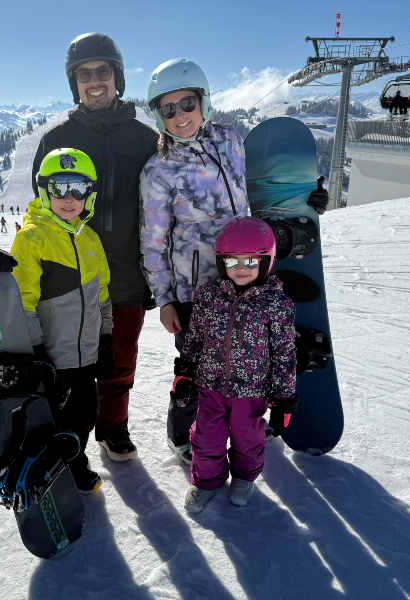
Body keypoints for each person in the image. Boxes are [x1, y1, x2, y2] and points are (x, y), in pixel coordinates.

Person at [24, 32, 158, 462]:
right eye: (85, 74)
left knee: (119, 364)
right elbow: (40, 204)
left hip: (124, 275)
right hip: (65, 277)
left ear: (117, 77)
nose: (94, 81)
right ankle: (68, 439)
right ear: (74, 83)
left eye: (103, 72)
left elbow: (171, 202)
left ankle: (113, 428)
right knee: (68, 367)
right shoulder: (56, 138)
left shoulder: (145, 139)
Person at [140, 58, 248, 464]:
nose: (180, 115)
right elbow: (152, 241)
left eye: (187, 103)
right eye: (168, 109)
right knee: (197, 368)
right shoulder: (159, 170)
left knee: (246, 358)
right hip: (195, 290)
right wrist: (164, 299)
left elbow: (252, 195)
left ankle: (242, 423)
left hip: (244, 277)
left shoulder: (231, 140)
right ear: (158, 116)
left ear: (204, 101)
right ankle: (183, 431)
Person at [11, 148, 114, 494]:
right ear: (45, 191)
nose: (69, 198)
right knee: (58, 417)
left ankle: (76, 460)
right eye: (60, 188)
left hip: (86, 353)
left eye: (79, 188)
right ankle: (53, 468)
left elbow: (102, 294)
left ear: (90, 194)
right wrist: (35, 348)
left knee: (86, 415)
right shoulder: (31, 239)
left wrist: (107, 338)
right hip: (54, 357)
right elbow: (23, 303)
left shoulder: (89, 238)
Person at [177, 218, 297, 513]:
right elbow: (195, 337)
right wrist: (185, 371)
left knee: (248, 438)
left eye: (250, 261)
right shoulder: (208, 296)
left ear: (265, 262)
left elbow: (284, 353)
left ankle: (244, 477)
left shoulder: (276, 304)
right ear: (221, 262)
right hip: (210, 386)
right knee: (208, 437)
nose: (241, 269)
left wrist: (283, 399)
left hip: (252, 391)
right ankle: (207, 481)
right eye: (232, 262)